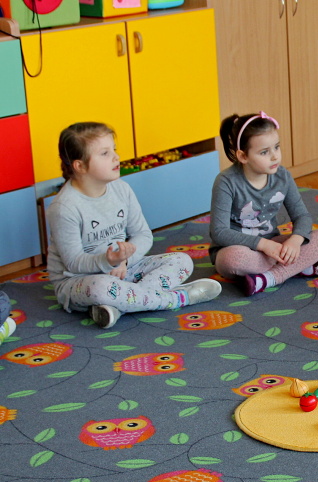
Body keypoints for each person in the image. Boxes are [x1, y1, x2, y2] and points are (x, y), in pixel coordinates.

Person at [47, 122, 222, 329]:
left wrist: (124, 261)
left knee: (182, 260)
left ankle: (118, 307)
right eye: (105, 153)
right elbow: (73, 262)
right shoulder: (64, 208)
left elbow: (143, 234)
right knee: (102, 288)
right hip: (81, 281)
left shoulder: (122, 189)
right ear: (80, 166)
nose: (116, 157)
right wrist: (108, 261)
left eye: (114, 149)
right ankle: (177, 298)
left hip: (123, 270)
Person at [210, 112, 318, 295]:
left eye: (276, 147)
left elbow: (302, 216)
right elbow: (219, 232)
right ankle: (298, 267)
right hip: (236, 249)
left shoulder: (283, 176)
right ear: (243, 156)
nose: (275, 157)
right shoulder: (226, 181)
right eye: (264, 152)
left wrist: (295, 241)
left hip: (273, 245)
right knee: (233, 259)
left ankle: (268, 278)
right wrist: (263, 245)